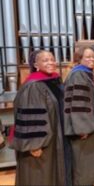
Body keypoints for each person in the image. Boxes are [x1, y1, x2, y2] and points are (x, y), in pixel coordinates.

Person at [10, 50, 71, 185]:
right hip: (41, 144)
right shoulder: (33, 86)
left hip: (55, 139)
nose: (50, 62)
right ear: (36, 65)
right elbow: (32, 116)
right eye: (45, 60)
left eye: (52, 59)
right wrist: (34, 145)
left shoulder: (54, 81)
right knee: (39, 176)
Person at [64, 47, 94, 185]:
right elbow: (78, 102)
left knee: (87, 161)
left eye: (93, 57)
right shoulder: (79, 75)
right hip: (83, 128)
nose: (92, 60)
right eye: (87, 57)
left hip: (88, 125)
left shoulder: (86, 74)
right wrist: (82, 128)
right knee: (83, 162)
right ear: (79, 59)